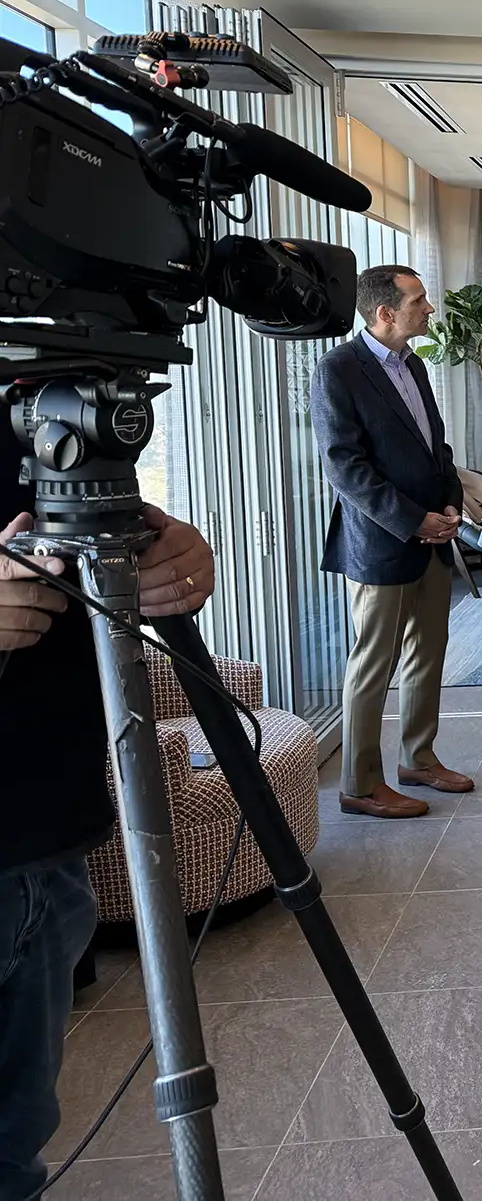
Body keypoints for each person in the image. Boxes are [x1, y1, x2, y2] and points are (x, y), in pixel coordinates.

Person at [0, 429, 215, 1201]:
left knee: (15, 1151)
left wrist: (163, 554)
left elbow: (60, 529)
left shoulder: (41, 386)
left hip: (56, 840)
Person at [311, 265, 473, 819]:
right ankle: (359, 783)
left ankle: (419, 759)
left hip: (434, 534)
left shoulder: (415, 363)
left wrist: (450, 503)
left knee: (428, 654)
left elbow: (436, 447)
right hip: (381, 542)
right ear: (385, 312)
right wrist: (413, 521)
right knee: (373, 663)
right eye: (420, 300)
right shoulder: (338, 370)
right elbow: (344, 467)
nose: (429, 309)